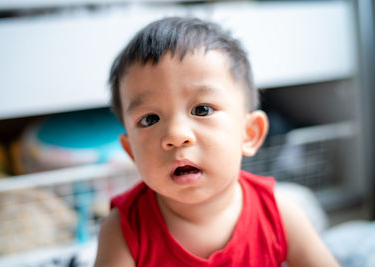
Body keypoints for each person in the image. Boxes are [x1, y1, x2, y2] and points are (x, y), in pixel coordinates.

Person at [94, 17, 339, 267]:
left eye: (202, 110)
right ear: (131, 151)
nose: (176, 135)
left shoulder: (280, 215)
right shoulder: (122, 230)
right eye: (149, 119)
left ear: (250, 133)